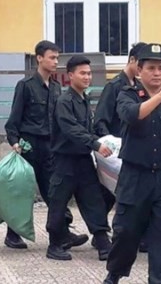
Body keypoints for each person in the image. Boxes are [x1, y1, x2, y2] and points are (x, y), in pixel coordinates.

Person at [104, 43, 161, 284]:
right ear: (139, 70)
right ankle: (115, 273)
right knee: (126, 232)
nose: (157, 73)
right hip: (135, 176)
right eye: (151, 68)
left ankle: (159, 280)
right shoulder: (126, 93)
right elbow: (132, 115)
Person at [5, 40, 87, 250]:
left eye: (57, 58)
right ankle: (12, 234)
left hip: (51, 147)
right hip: (29, 146)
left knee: (54, 192)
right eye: (52, 57)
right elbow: (14, 119)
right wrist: (14, 142)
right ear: (39, 58)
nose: (55, 62)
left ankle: (63, 233)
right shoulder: (25, 86)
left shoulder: (56, 87)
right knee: (22, 192)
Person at [45, 55, 112, 262]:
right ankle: (55, 244)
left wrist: (104, 140)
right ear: (70, 75)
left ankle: (102, 242)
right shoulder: (64, 101)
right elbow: (70, 129)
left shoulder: (84, 99)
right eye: (82, 73)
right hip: (64, 161)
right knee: (58, 202)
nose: (87, 77)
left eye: (89, 73)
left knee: (93, 200)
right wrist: (95, 143)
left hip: (83, 160)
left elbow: (87, 128)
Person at [93, 41, 147, 251]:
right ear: (132, 61)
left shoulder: (140, 87)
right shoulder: (115, 86)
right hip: (115, 152)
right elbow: (101, 120)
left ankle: (132, 236)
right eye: (143, 64)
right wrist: (108, 148)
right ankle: (104, 236)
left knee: (132, 197)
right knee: (112, 197)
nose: (146, 70)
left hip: (135, 150)